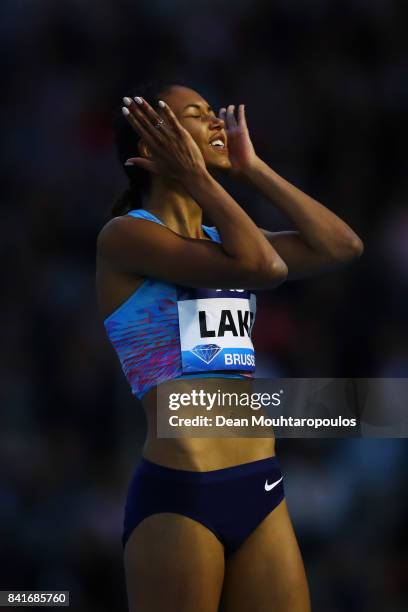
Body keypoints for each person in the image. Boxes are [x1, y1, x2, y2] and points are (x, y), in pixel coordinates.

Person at [96, 80, 364, 612]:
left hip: (260, 484)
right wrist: (199, 177)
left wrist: (254, 170)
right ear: (152, 147)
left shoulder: (223, 242)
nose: (218, 122)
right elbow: (264, 268)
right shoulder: (125, 237)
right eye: (197, 115)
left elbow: (342, 246)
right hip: (181, 494)